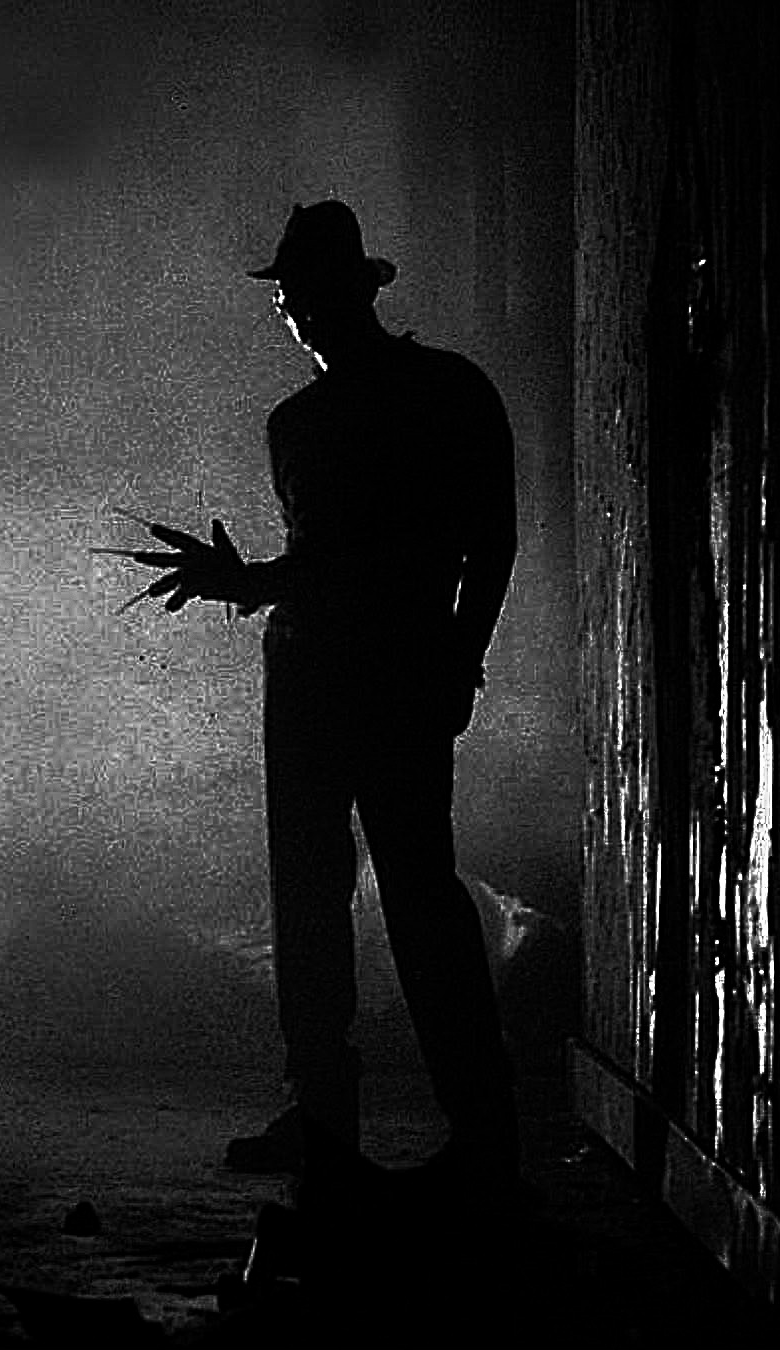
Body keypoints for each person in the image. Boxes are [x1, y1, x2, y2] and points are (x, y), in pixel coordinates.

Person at [111, 201, 521, 1203]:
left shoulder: (356, 412)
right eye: (288, 295)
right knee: (368, 896)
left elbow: (369, 556)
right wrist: (454, 656)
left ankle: (409, 1126)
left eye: (296, 292)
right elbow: (459, 546)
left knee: (378, 896)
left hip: (351, 676)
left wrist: (252, 584)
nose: (290, 311)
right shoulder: (424, 395)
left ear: (338, 293)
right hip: (356, 674)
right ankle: (407, 1126)